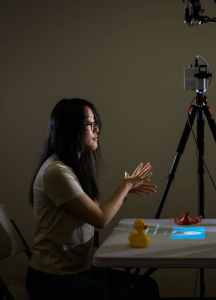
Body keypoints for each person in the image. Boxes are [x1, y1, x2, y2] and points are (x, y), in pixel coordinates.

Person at [26, 98, 160, 300]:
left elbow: (95, 212)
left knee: (146, 286)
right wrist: (124, 186)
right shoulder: (56, 172)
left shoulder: (72, 167)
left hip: (79, 269)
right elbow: (100, 219)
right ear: (71, 129)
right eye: (90, 124)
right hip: (53, 278)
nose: (97, 130)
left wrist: (125, 193)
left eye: (96, 124)